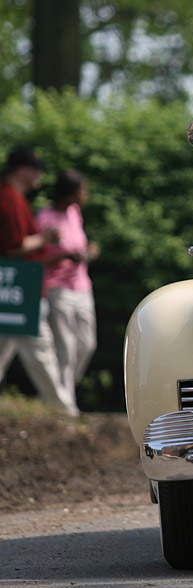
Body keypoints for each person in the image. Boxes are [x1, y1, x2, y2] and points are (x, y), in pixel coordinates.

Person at [0, 146, 78, 415]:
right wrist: (45, 239)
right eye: (37, 171)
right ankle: (64, 412)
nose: (40, 177)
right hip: (20, 290)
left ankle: (63, 409)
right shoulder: (9, 199)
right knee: (41, 350)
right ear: (22, 171)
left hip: (14, 290)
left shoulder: (14, 198)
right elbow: (13, 247)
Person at [36, 169, 99, 392]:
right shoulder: (45, 218)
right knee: (66, 349)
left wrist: (88, 251)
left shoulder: (74, 212)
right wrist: (66, 255)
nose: (86, 193)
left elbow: (81, 243)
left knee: (87, 344)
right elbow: (39, 257)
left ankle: (59, 394)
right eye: (83, 189)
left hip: (82, 286)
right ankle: (65, 405)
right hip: (58, 288)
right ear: (71, 193)